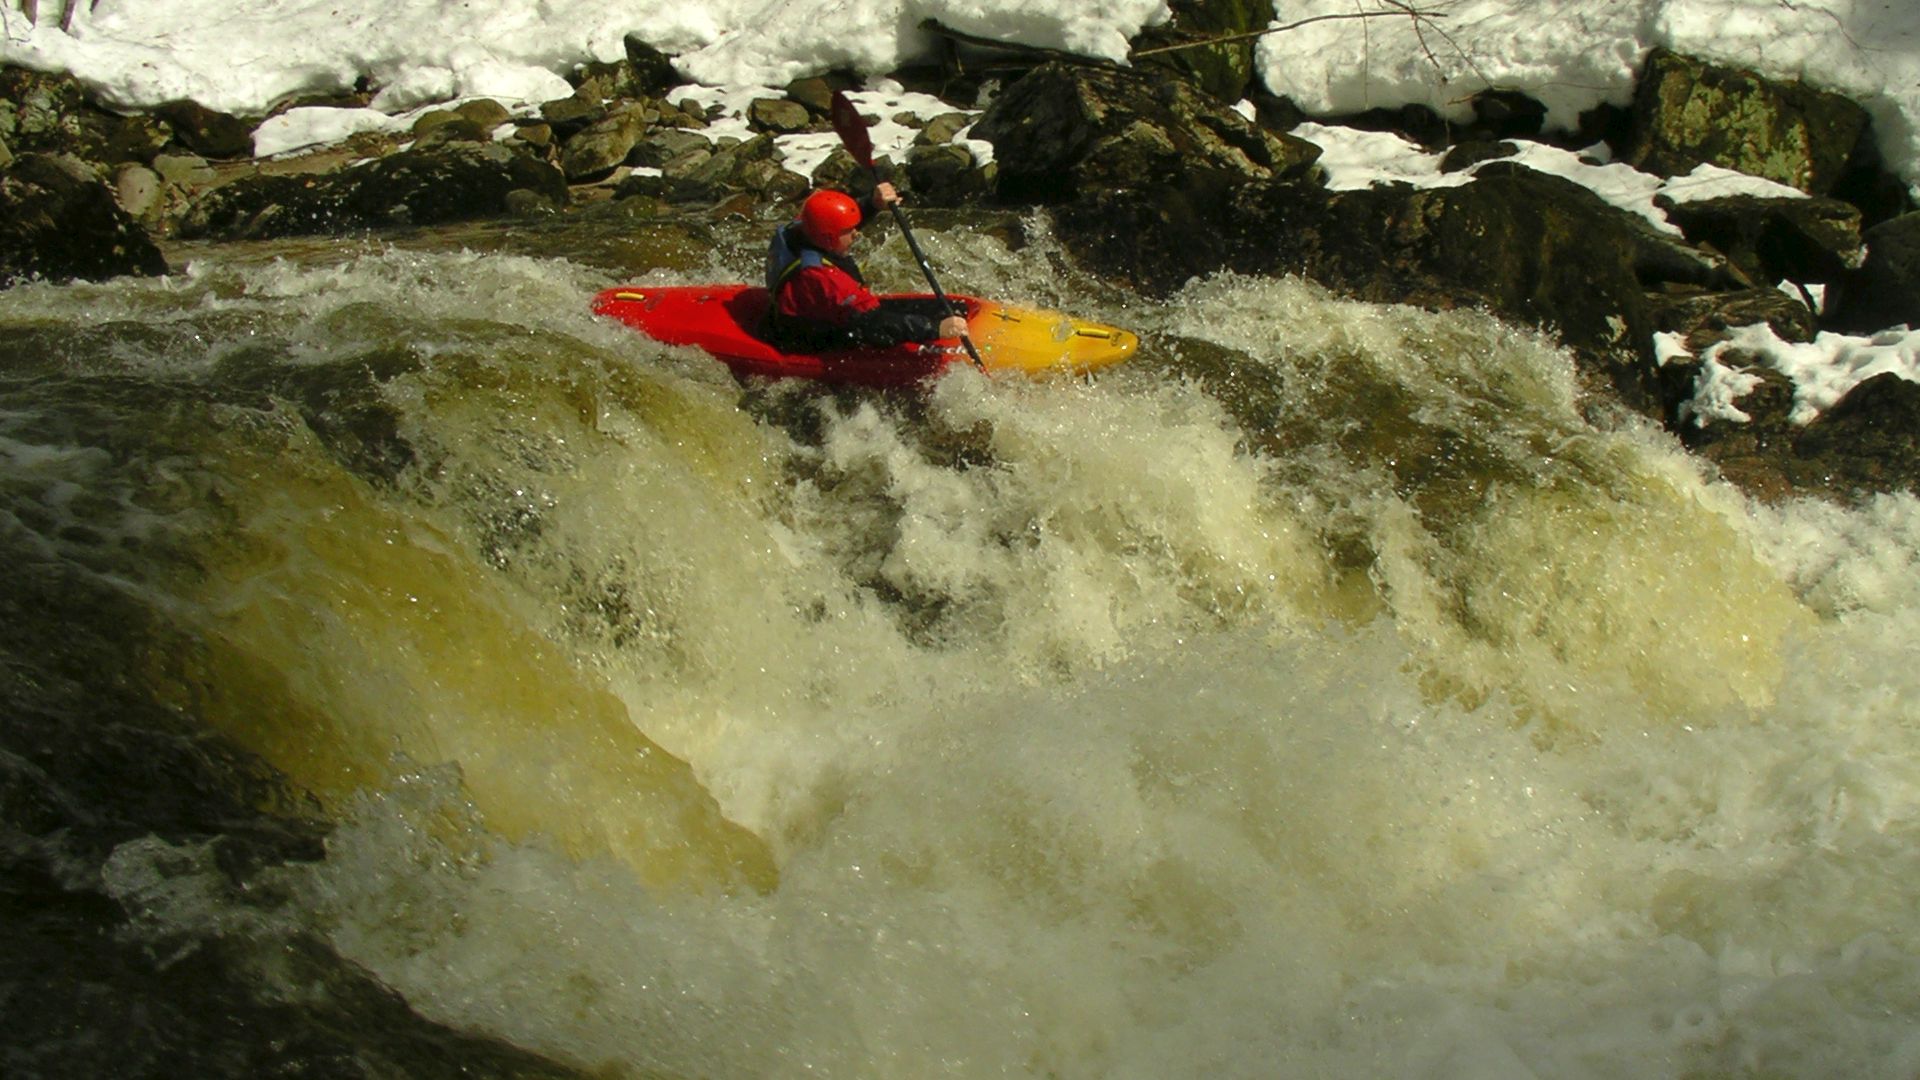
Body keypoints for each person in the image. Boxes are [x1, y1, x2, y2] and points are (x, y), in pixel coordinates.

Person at [762, 182, 969, 352]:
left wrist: (873, 203)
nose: (856, 234)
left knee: (954, 307)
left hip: (817, 311)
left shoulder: (803, 227)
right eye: (849, 230)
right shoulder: (821, 276)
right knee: (888, 329)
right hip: (812, 336)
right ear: (828, 237)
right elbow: (874, 322)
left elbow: (833, 221)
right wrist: (934, 329)